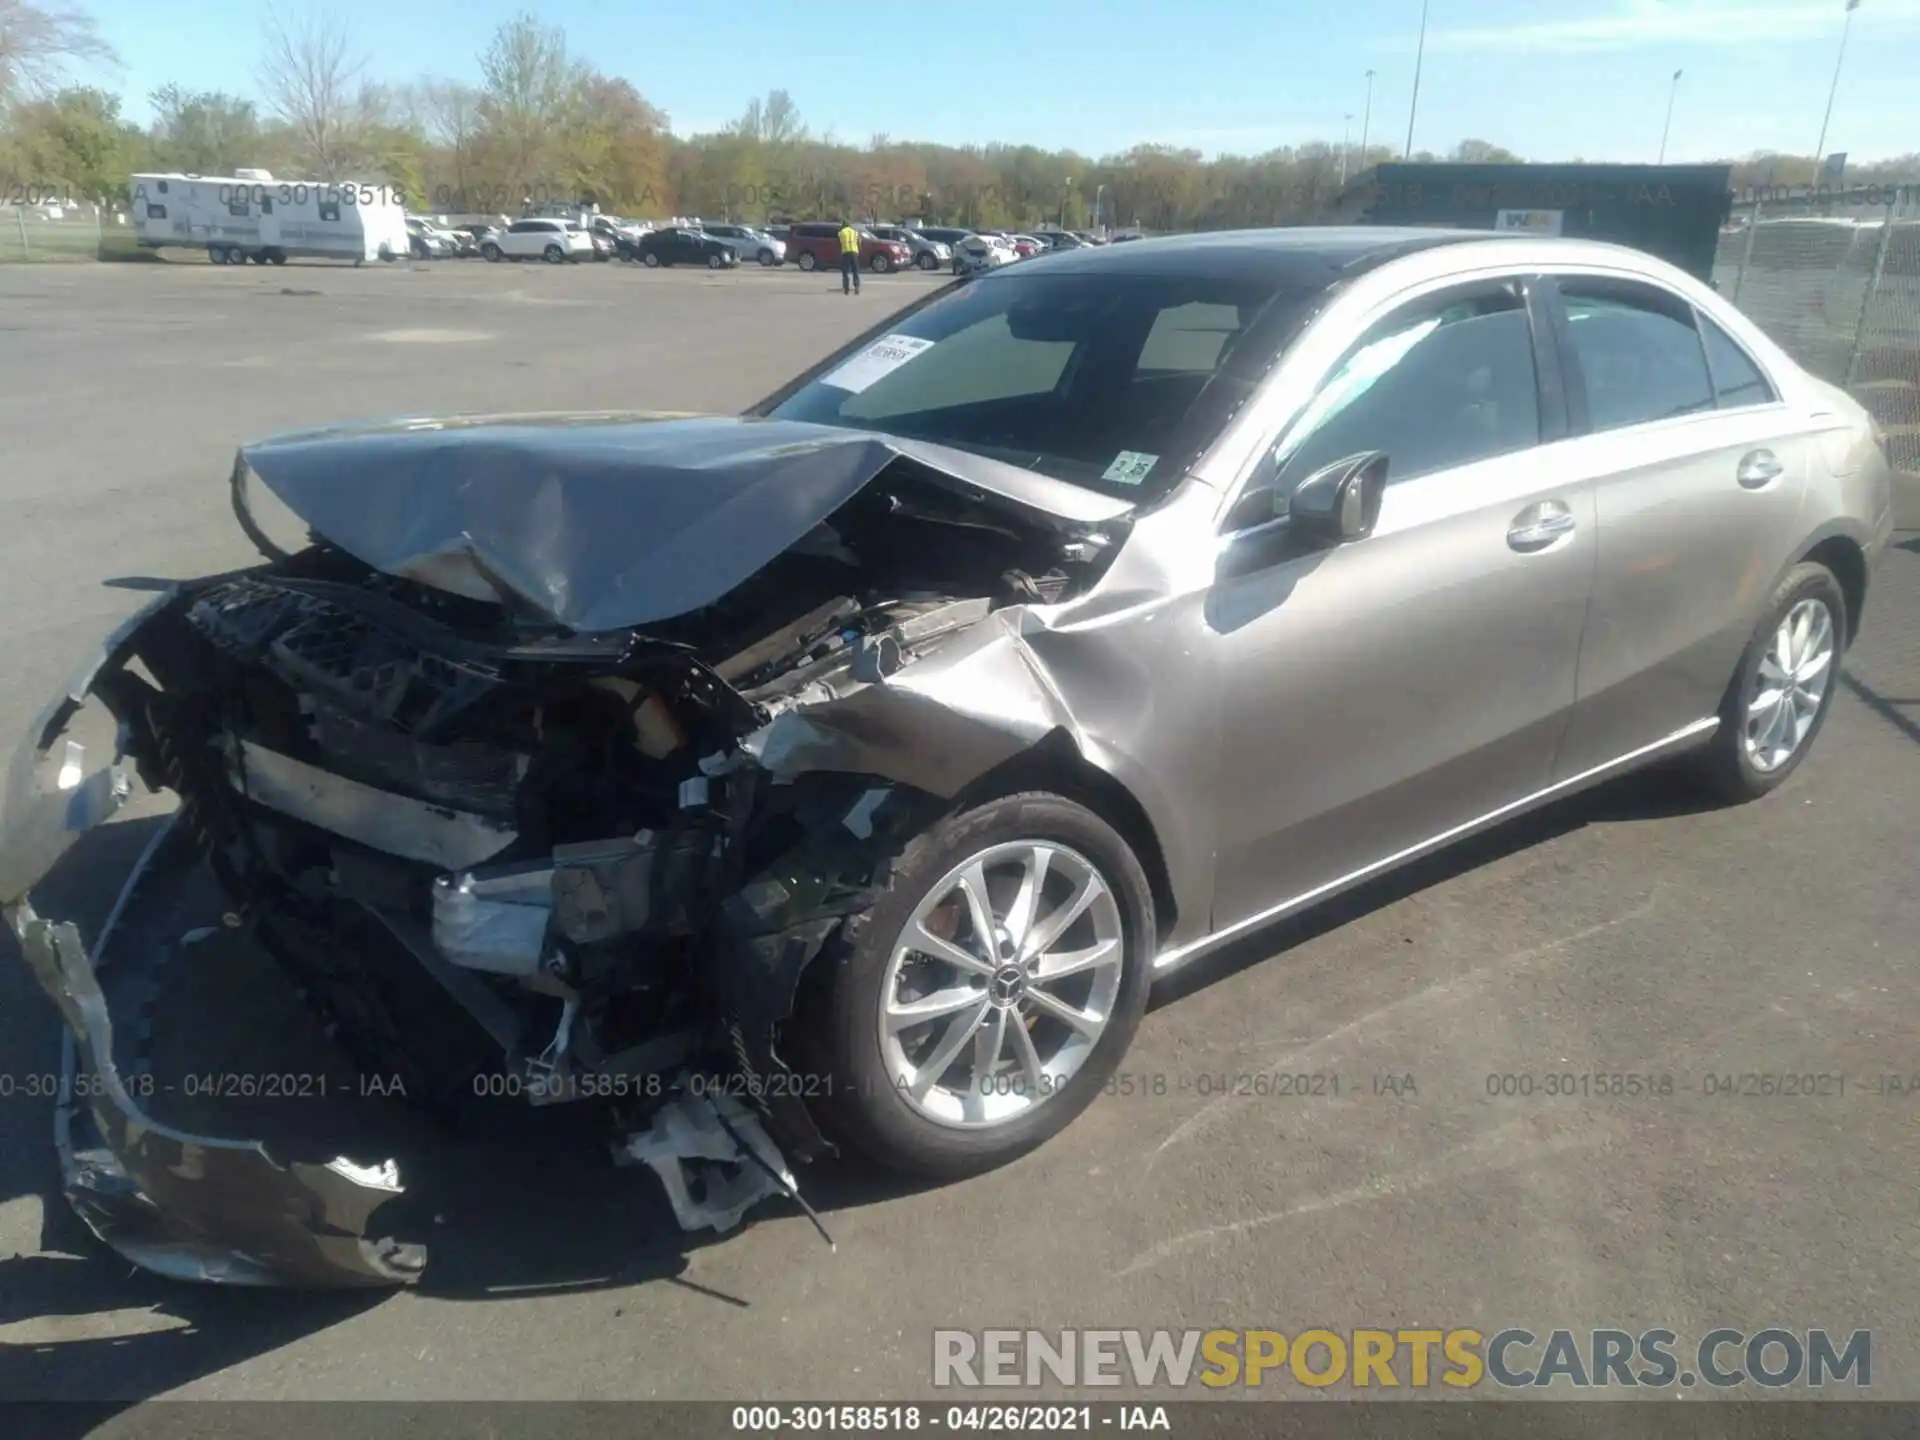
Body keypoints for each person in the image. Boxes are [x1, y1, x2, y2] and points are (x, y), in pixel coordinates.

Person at [836, 219, 862, 295]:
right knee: (855, 271)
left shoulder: (841, 232)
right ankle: (856, 287)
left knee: (845, 272)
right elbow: (859, 242)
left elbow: (839, 243)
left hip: (845, 252)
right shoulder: (855, 232)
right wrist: (859, 250)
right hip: (854, 252)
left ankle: (846, 289)